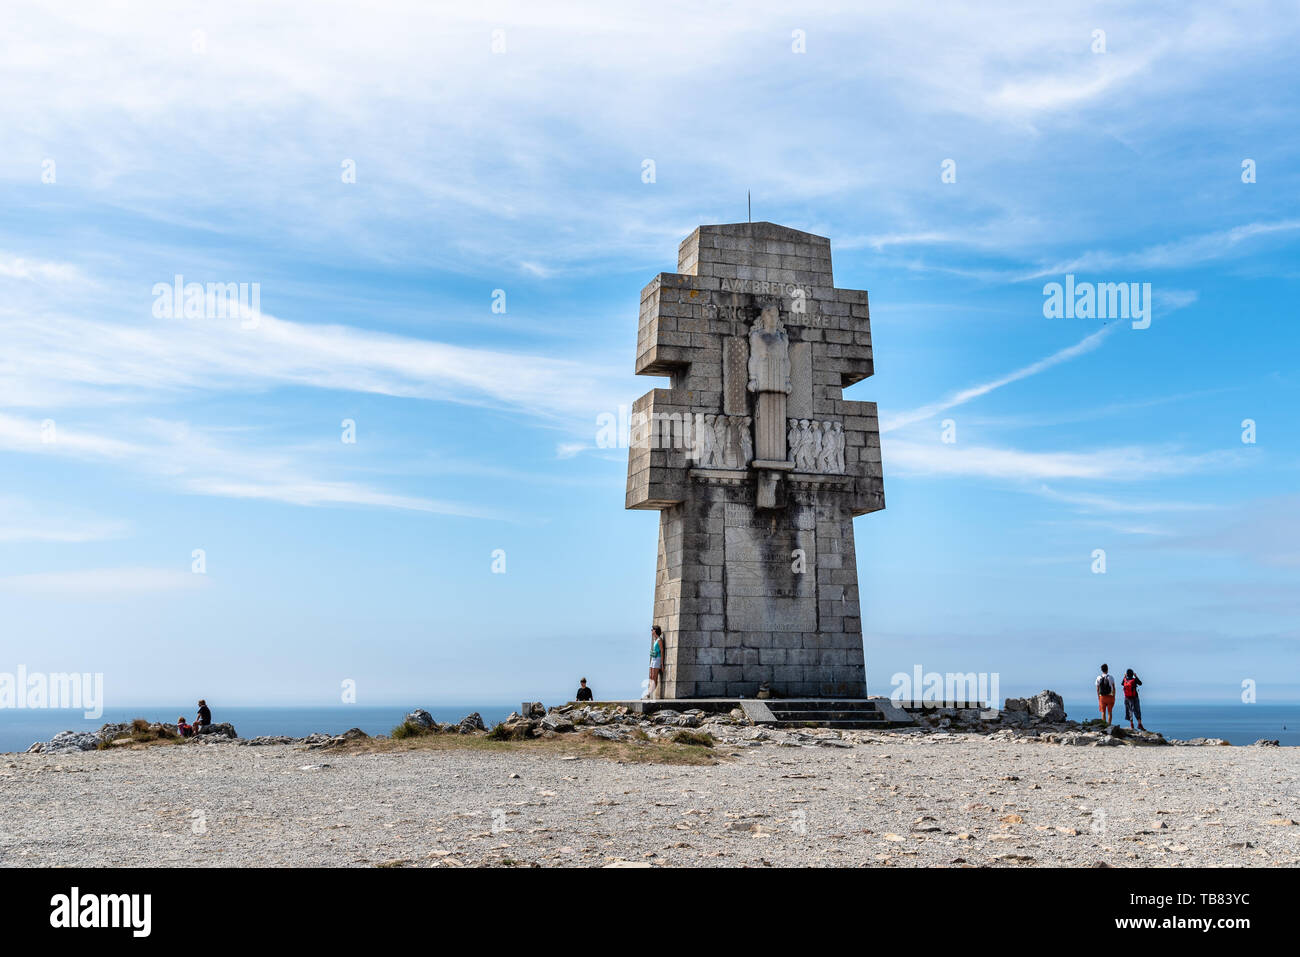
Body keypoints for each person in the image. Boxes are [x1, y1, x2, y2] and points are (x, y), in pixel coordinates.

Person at [646, 625, 664, 699]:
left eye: (652, 630)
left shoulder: (659, 640)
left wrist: (662, 663)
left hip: (657, 659)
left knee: (654, 677)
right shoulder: (655, 639)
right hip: (653, 659)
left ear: (655, 631)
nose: (651, 631)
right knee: (650, 676)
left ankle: (649, 693)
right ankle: (649, 692)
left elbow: (662, 651)